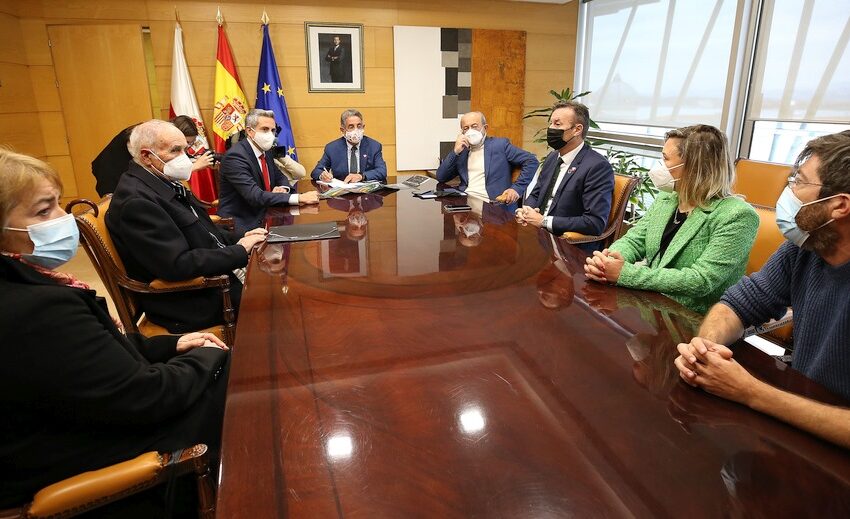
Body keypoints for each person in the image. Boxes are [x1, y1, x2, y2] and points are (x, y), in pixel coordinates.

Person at [0, 149, 229, 512]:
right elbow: (146, 397)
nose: (63, 219)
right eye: (44, 211)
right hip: (72, 452)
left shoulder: (29, 286)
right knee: (239, 397)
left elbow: (87, 357)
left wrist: (170, 346)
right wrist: (209, 357)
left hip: (71, 418)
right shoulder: (35, 308)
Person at [674, 132, 850, 449]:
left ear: (839, 205)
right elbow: (737, 305)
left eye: (799, 182)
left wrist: (750, 392)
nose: (788, 191)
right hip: (799, 422)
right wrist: (704, 348)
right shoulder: (806, 247)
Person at [106, 120, 268, 333]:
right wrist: (239, 250)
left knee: (274, 279)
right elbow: (178, 265)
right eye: (175, 150)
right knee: (274, 299)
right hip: (190, 301)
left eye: (185, 149)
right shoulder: (137, 202)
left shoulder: (160, 181)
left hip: (212, 281)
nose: (185, 157)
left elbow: (203, 231)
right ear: (146, 156)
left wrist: (242, 235)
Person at [584, 125, 759, 314]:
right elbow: (635, 240)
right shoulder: (668, 198)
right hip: (652, 307)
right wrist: (607, 261)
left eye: (666, 159)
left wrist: (624, 273)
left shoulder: (737, 215)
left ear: (694, 166)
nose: (660, 166)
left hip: (694, 318)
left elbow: (701, 280)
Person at [516, 100, 614, 242]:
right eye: (550, 123)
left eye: (557, 124)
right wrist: (526, 210)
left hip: (568, 245)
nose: (550, 128)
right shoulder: (552, 157)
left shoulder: (597, 167)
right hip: (537, 237)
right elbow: (537, 193)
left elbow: (594, 223)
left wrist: (544, 221)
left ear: (577, 129)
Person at [218, 109, 318, 233]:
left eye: (273, 130)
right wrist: (298, 198)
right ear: (249, 131)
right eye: (265, 129)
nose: (270, 135)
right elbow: (254, 196)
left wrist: (283, 188)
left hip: (268, 213)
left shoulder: (266, 150)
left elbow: (279, 176)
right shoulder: (235, 157)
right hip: (243, 222)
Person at [91, 116, 214, 197]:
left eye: (188, 145)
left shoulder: (161, 137)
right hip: (113, 182)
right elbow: (156, 169)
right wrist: (194, 167)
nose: (186, 149)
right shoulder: (141, 136)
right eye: (177, 149)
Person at [435, 111, 539, 203]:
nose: (470, 131)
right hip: (466, 202)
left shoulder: (500, 145)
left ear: (485, 128)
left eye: (475, 126)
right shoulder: (462, 151)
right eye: (466, 128)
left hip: (492, 206)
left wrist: (516, 189)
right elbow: (441, 177)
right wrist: (455, 152)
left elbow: (531, 161)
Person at [311, 109, 388, 183]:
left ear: (363, 127)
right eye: (351, 127)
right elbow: (316, 171)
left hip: (366, 192)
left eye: (359, 126)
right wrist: (322, 175)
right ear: (343, 130)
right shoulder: (332, 148)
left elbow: (382, 171)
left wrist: (361, 176)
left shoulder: (374, 146)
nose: (356, 130)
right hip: (341, 192)